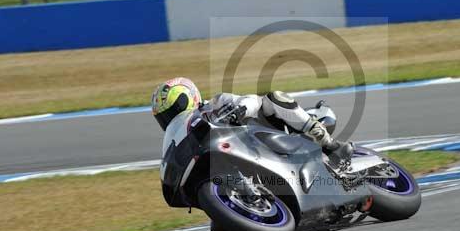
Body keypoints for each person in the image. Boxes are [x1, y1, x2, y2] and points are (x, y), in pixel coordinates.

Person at [151, 77, 353, 167]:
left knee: (273, 97)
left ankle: (331, 145)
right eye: (165, 116)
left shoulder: (216, 103)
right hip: (247, 158)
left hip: (270, 135)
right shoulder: (187, 134)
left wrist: (240, 110)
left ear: (189, 96)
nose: (171, 117)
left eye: (174, 108)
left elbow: (251, 101)